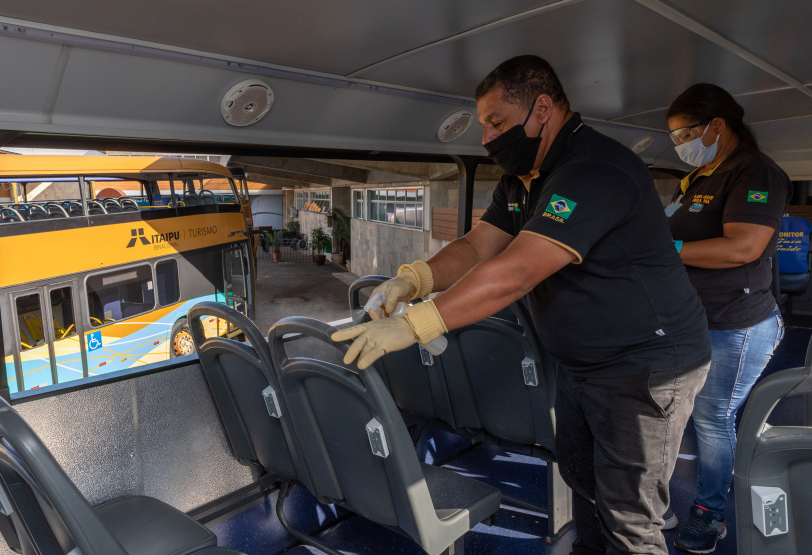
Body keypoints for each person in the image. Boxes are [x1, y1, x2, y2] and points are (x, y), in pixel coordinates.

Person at [331, 55, 712, 555]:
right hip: (584, 364)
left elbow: (519, 270)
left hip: (646, 365)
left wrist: (416, 324)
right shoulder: (523, 178)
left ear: (543, 109)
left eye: (497, 122)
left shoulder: (595, 169)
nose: (486, 138)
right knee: (583, 485)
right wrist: (414, 280)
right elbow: (476, 247)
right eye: (484, 126)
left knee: (630, 519)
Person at [664, 83, 790, 554]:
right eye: (674, 138)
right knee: (684, 408)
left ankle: (710, 514)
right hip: (694, 316)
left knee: (713, 416)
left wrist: (669, 250)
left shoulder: (755, 172)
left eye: (685, 134)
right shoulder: (699, 177)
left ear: (717, 125)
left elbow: (744, 247)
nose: (680, 145)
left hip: (736, 322)